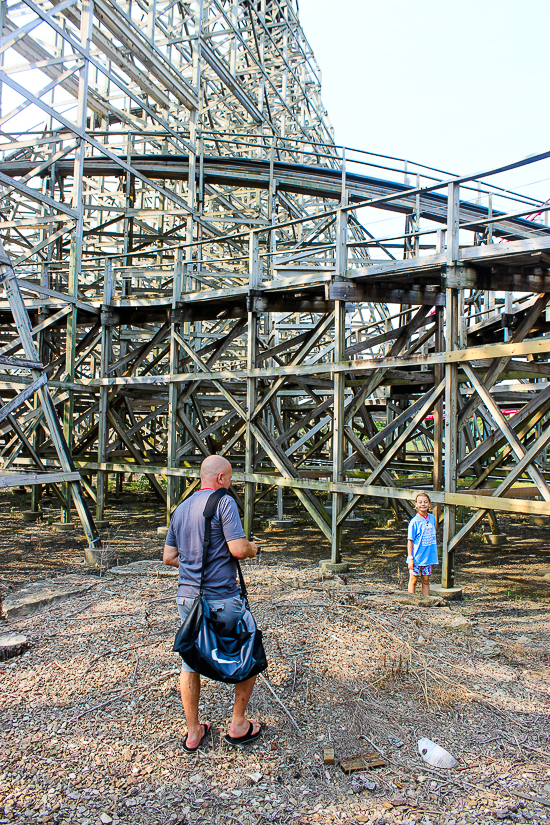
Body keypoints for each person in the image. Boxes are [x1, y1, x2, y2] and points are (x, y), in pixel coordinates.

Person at [163, 455, 261, 752]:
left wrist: (194, 564)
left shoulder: (180, 509)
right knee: (249, 647)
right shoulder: (224, 502)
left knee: (189, 660)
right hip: (220, 598)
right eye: (229, 479)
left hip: (187, 598)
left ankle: (193, 733)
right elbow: (238, 549)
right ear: (220, 479)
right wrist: (254, 548)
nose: (230, 484)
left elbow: (168, 557)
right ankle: (238, 723)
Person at [407, 491, 438, 597]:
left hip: (427, 557)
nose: (423, 504)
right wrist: (410, 557)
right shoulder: (414, 522)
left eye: (425, 502)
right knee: (413, 580)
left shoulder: (432, 518)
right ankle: (411, 601)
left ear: (429, 504)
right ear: (416, 505)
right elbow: (410, 540)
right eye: (420, 502)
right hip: (416, 557)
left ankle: (427, 600)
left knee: (426, 581)